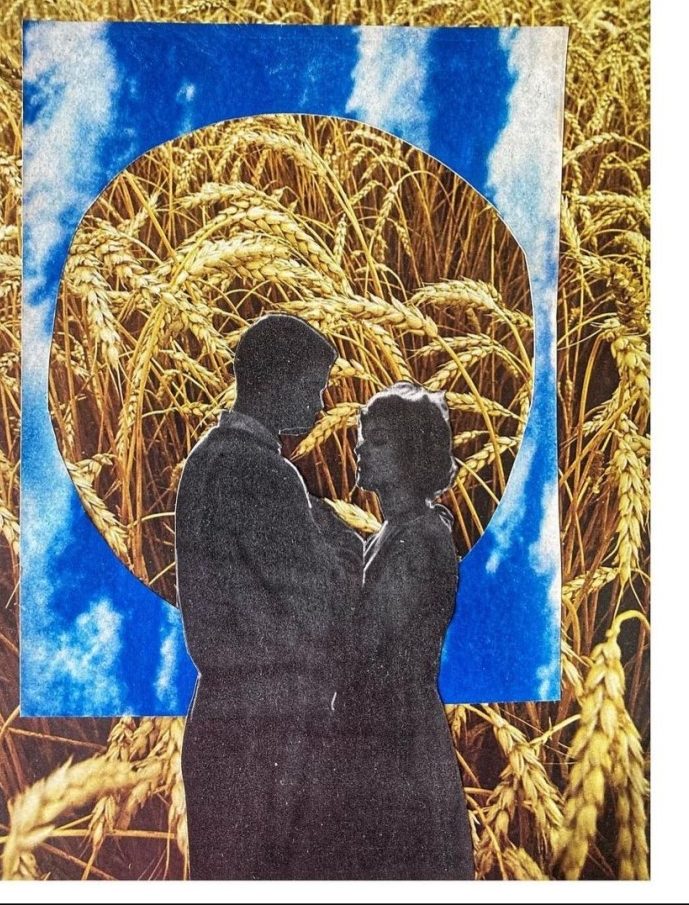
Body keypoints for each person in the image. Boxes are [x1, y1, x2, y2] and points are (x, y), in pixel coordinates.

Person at [175, 313, 361, 880]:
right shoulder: (266, 474)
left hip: (217, 720)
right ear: (278, 382)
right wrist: (344, 546)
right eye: (314, 388)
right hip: (272, 732)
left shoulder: (203, 461)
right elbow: (320, 607)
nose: (320, 406)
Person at [337, 381, 475, 879]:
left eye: (377, 441)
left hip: (399, 738)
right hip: (382, 730)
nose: (360, 449)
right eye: (362, 438)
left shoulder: (421, 537)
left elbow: (368, 638)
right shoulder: (390, 533)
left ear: (413, 452)